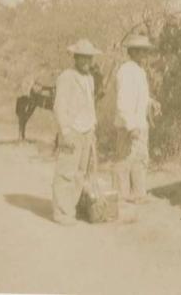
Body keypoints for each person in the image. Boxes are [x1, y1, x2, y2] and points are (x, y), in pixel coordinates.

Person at [52, 39, 101, 225]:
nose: (87, 62)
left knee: (80, 172)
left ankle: (70, 207)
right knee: (66, 171)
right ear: (75, 58)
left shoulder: (90, 79)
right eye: (83, 58)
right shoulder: (66, 77)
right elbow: (59, 107)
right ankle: (60, 212)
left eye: (90, 58)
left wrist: (93, 127)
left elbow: (91, 105)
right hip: (72, 130)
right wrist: (65, 131)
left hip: (86, 130)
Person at [112, 34, 159, 204]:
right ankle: (120, 197)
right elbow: (123, 102)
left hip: (140, 124)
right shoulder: (126, 71)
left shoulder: (139, 71)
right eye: (141, 51)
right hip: (129, 125)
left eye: (145, 52)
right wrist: (131, 126)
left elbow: (140, 97)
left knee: (140, 159)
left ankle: (138, 194)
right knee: (124, 160)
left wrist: (151, 102)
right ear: (133, 52)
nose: (144, 55)